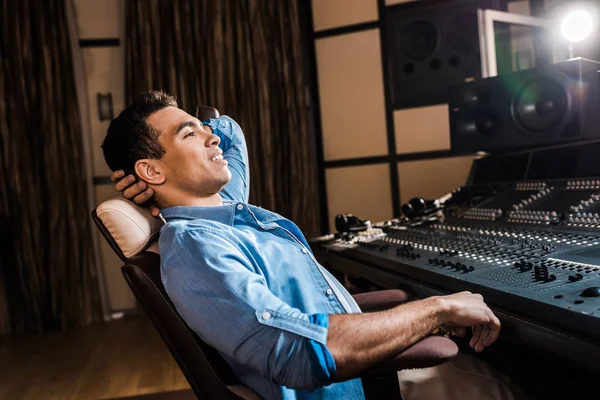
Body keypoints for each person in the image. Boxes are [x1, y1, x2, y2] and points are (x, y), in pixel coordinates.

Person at [102, 91, 522, 400]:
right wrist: (437, 309)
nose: (211, 137)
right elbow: (301, 354)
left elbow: (227, 132)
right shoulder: (197, 250)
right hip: (361, 387)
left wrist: (180, 144)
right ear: (150, 170)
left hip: (367, 366)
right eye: (189, 134)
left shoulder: (228, 208)